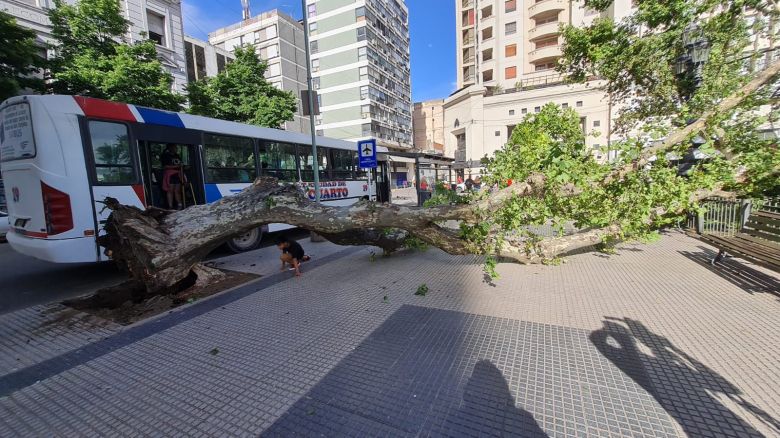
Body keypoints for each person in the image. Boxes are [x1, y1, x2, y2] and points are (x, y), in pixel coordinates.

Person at [160, 144, 185, 209]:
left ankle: (180, 205)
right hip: (170, 175)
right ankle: (170, 206)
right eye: (175, 147)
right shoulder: (166, 156)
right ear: (170, 148)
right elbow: (165, 166)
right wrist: (176, 167)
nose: (176, 149)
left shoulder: (177, 156)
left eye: (176, 147)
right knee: (170, 190)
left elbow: (181, 164)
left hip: (178, 175)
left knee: (177, 190)